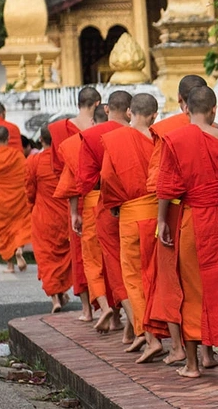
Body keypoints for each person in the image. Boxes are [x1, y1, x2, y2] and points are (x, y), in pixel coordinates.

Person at [156, 85, 218, 382]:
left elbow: (168, 186)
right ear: (214, 110)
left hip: (191, 220)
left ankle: (193, 364)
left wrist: (163, 220)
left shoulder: (173, 140)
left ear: (186, 108)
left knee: (190, 290)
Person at [145, 74, 217, 368]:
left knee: (173, 283)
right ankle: (208, 352)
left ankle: (177, 348)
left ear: (180, 101)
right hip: (210, 212)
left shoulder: (166, 132)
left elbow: (162, 180)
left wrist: (162, 219)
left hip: (175, 212)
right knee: (207, 281)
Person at [100, 93, 166, 363]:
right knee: (158, 276)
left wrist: (114, 203)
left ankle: (150, 337)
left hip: (130, 214)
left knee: (134, 278)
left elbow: (106, 177)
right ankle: (168, 337)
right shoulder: (160, 139)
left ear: (129, 112)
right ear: (155, 115)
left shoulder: (116, 140)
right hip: (158, 215)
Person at [76, 91, 133, 337]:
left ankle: (112, 310)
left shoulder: (89, 136)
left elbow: (83, 181)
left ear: (107, 108)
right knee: (133, 264)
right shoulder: (140, 135)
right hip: (137, 205)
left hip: (102, 204)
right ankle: (133, 320)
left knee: (104, 262)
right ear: (130, 111)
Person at [50, 88, 102, 322]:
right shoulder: (102, 128)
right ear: (99, 104)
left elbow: (58, 169)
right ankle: (112, 311)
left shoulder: (60, 130)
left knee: (80, 254)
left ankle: (87, 311)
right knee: (106, 253)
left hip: (76, 197)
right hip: (103, 195)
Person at [28, 126, 72, 313]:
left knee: (46, 258)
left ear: (41, 140)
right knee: (63, 256)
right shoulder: (65, 159)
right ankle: (61, 293)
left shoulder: (34, 161)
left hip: (44, 216)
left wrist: (32, 204)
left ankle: (55, 298)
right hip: (64, 214)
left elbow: (29, 189)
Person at [0, 126, 33, 274]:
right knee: (21, 225)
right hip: (18, 197)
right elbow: (25, 175)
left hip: (0, 199)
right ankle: (19, 248)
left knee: (4, 231)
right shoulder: (18, 155)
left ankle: (10, 266)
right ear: (8, 138)